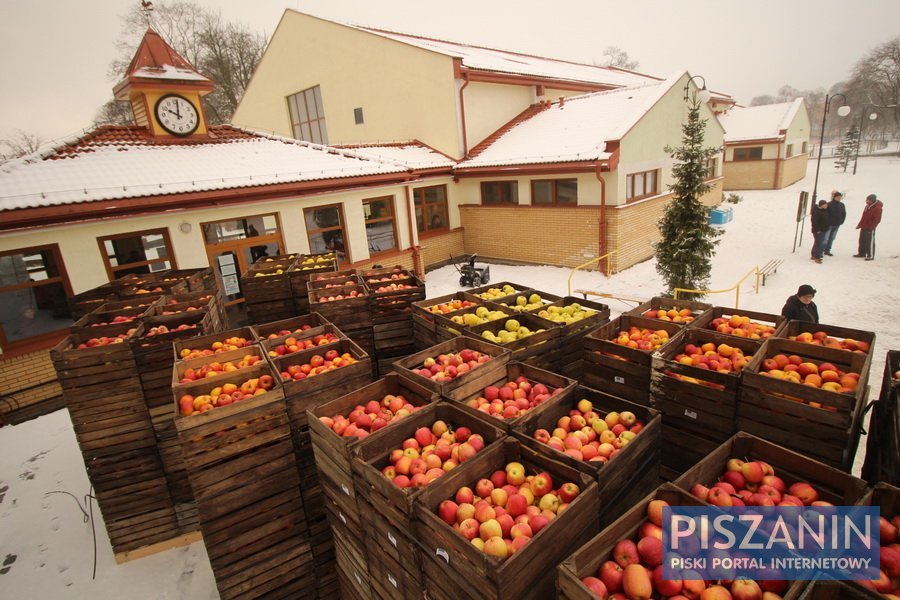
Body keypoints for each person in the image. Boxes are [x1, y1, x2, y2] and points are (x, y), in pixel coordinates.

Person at [854, 193, 883, 260]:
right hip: (864, 226)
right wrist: (860, 224)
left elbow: (877, 219)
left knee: (869, 241)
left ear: (872, 201)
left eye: (868, 200)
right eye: (866, 200)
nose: (866, 201)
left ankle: (870, 255)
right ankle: (862, 253)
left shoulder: (878, 208)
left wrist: (872, 227)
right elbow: (863, 217)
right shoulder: (867, 206)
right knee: (862, 240)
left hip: (870, 228)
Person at [823, 191, 846, 256]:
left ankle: (827, 250)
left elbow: (844, 214)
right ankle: (822, 250)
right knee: (825, 238)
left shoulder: (842, 205)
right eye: (838, 197)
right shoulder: (829, 204)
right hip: (829, 224)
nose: (839, 198)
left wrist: (842, 221)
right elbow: (825, 214)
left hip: (837, 224)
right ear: (834, 197)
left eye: (840, 197)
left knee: (832, 238)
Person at [809, 199, 830, 264]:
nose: (827, 205)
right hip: (818, 231)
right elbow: (814, 222)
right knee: (819, 243)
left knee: (817, 243)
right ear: (822, 205)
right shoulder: (816, 212)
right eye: (825, 204)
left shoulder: (824, 211)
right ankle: (817, 257)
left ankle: (813, 255)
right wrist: (817, 230)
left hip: (824, 229)